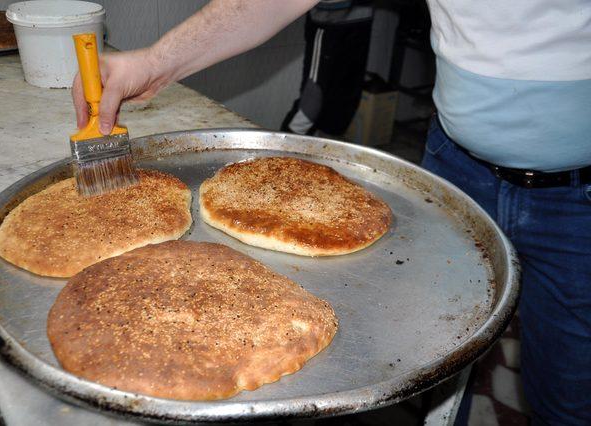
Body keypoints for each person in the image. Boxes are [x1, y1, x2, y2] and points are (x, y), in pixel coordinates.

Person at [72, 1, 591, 424]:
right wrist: (154, 62)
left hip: (579, 199)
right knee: (436, 355)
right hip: (455, 165)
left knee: (571, 385)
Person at [280, 0, 373, 136]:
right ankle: (282, 152)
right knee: (311, 106)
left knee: (342, 108)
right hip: (329, 20)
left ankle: (322, 153)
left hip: (361, 19)